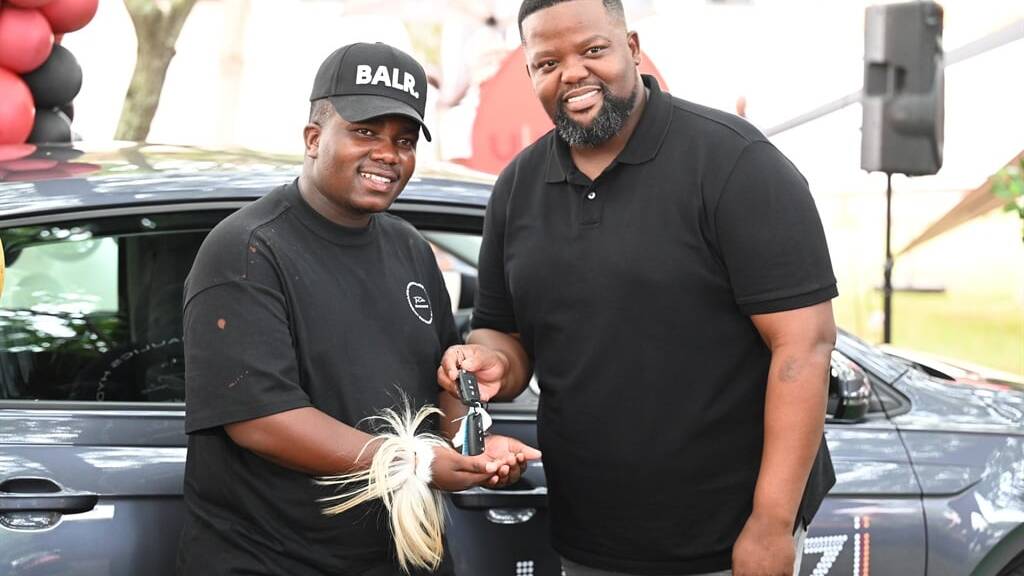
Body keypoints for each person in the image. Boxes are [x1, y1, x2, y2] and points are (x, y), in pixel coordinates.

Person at [438, 1, 838, 575]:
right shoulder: (516, 187)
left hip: (728, 540)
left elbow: (803, 346)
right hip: (588, 536)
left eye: (592, 50)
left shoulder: (733, 161)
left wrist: (771, 525)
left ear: (631, 46)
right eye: (548, 62)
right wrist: (494, 362)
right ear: (529, 73)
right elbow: (504, 333)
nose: (572, 73)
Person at [177, 42, 539, 576]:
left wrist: (471, 447)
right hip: (273, 561)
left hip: (401, 558)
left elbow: (437, 392)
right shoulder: (248, 248)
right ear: (313, 138)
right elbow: (260, 419)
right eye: (366, 132)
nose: (388, 154)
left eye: (404, 140)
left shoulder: (410, 248)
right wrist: (413, 463)